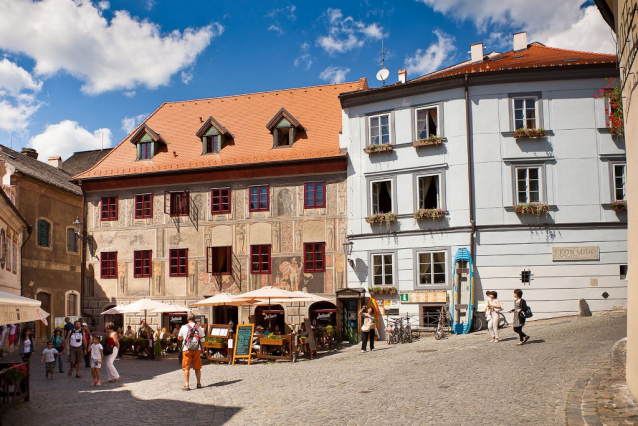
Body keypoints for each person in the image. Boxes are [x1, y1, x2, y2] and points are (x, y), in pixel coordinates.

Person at [178, 313, 205, 391]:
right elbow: (202, 339)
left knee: (186, 367)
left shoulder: (183, 327)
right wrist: (203, 348)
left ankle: (187, 385)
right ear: (195, 319)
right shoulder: (199, 327)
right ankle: (199, 383)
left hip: (186, 349)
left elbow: (179, 338)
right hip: (197, 348)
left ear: (187, 319)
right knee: (197, 367)